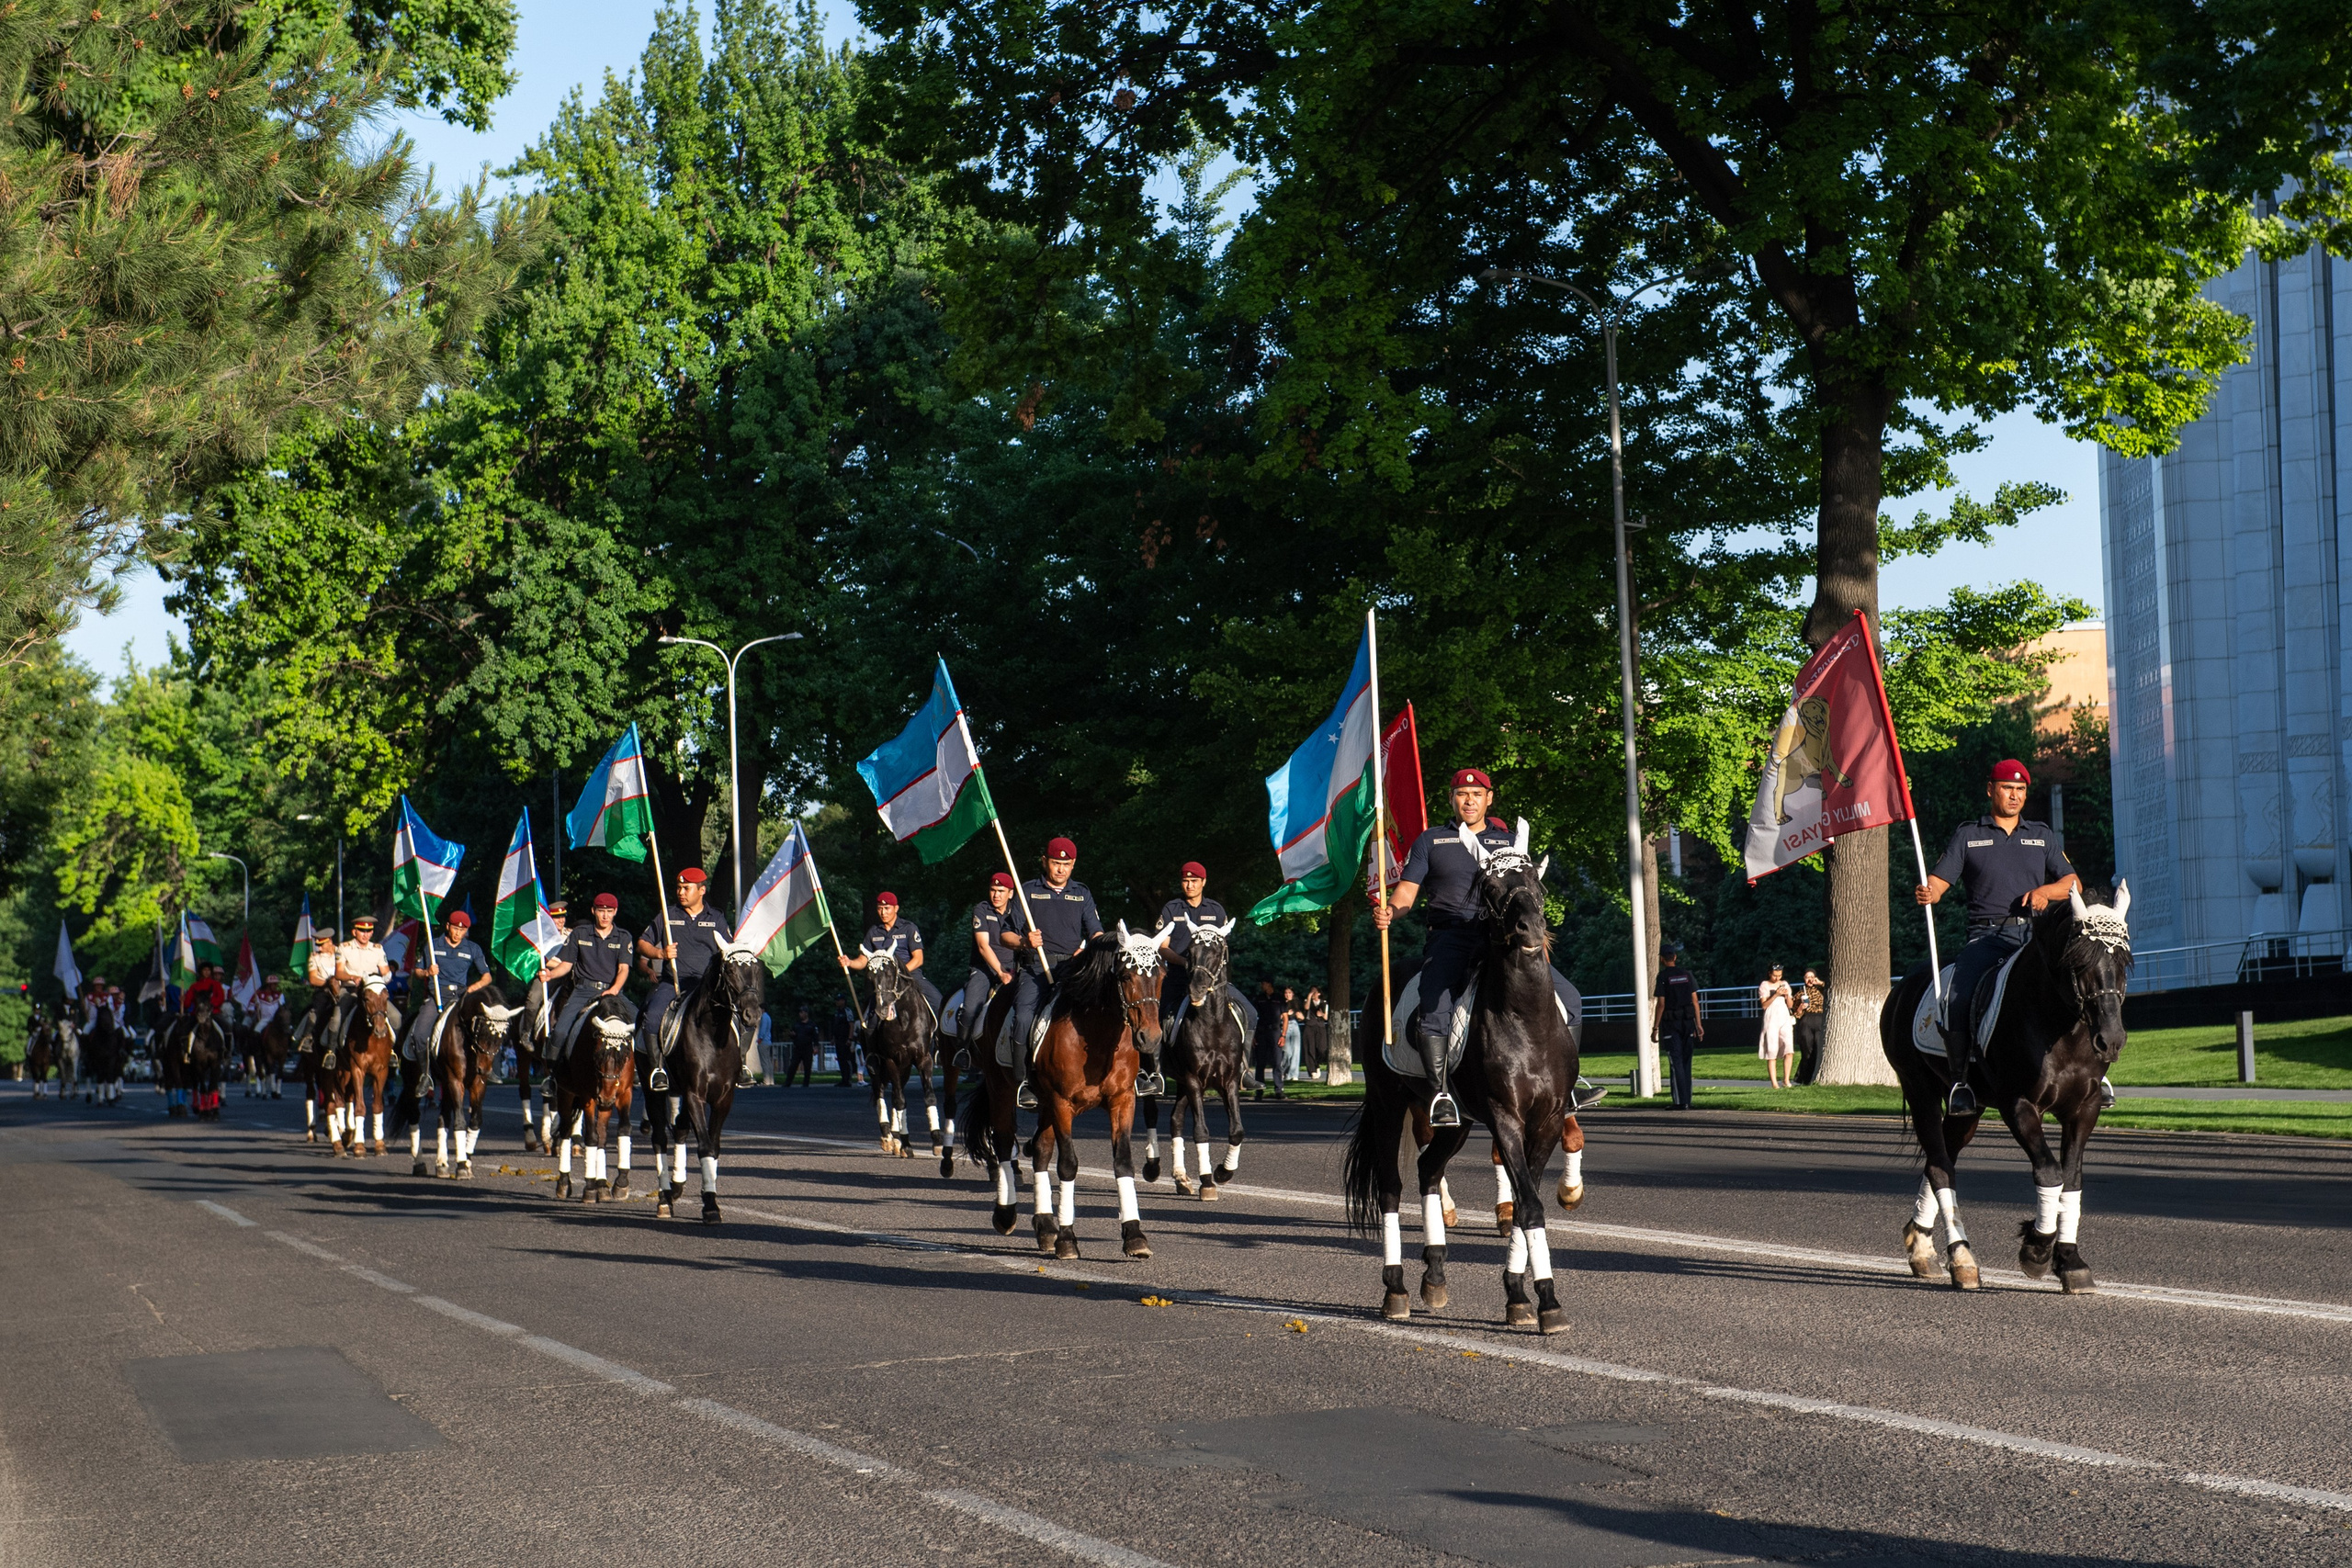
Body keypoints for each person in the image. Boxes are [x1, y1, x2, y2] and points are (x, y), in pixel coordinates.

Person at [1916, 758, 2081, 1116]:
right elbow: (1940, 882)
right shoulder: (1968, 835)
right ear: (1991, 789)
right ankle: (1961, 1083)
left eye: (2021, 789)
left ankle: (2091, 1074)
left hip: (2035, 938)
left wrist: (2045, 892)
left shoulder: (2041, 834)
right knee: (1958, 997)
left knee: (2077, 986)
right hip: (1986, 938)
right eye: (2008, 788)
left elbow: (2073, 883)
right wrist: (1930, 891)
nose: (2015, 795)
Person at [1372, 768, 1523, 1127]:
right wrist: (1391, 911)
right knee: (1435, 1003)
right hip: (1450, 937)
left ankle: (1569, 1087)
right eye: (1461, 793)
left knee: (1567, 996)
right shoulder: (1430, 841)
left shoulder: (1511, 841)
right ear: (1451, 799)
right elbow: (1408, 891)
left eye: (1476, 793)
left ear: (1489, 798)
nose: (1468, 800)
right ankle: (1441, 1094)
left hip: (1501, 939)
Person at [1006, 838, 1103, 1111]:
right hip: (1036, 967)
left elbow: (1095, 930)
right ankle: (1023, 1081)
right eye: (1056, 863)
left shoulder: (1082, 893)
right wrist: (1024, 942)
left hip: (1073, 969)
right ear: (1045, 861)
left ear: (1073, 865)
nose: (1061, 869)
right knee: (1024, 1018)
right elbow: (1005, 935)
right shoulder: (1027, 891)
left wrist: (1092, 947)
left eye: (1066, 864)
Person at [1152, 861, 1258, 1094]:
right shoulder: (1172, 908)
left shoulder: (1216, 910)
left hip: (1214, 981)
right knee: (1157, 1018)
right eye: (1185, 880)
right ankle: (1154, 1074)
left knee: (1250, 1013)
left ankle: (1243, 1071)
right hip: (1180, 978)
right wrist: (1185, 962)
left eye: (1194, 881)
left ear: (1203, 882)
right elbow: (1162, 946)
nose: (1189, 885)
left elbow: (1222, 947)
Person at [637, 867, 733, 1092]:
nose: (681, 892)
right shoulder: (667, 915)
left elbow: (728, 949)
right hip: (674, 985)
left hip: (707, 986)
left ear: (701, 891)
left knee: (740, 1016)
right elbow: (642, 943)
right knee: (651, 1019)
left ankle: (741, 1065)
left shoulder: (716, 918)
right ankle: (657, 1069)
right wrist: (660, 954)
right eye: (679, 888)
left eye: (686, 888)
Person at [541, 894, 634, 1064]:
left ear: (615, 912)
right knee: (560, 1031)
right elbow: (567, 964)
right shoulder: (580, 933)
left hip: (612, 991)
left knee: (641, 1023)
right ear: (593, 911)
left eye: (609, 911)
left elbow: (623, 969)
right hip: (583, 991)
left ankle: (642, 1070)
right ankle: (552, 1075)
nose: (605, 916)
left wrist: (614, 990)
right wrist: (550, 974)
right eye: (601, 911)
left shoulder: (624, 936)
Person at [839, 892, 943, 1034]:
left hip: (910, 977)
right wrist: (850, 962)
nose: (883, 912)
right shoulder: (873, 932)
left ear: (896, 908)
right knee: (869, 1023)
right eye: (880, 908)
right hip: (883, 984)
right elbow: (863, 960)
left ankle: (939, 1044)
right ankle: (872, 1054)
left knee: (940, 1004)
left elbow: (918, 959)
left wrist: (897, 973)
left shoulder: (909, 928)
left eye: (887, 908)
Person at [402, 909, 492, 1063]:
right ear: (448, 926)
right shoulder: (433, 945)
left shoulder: (473, 948)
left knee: (487, 1028)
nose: (458, 933)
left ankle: (486, 1068)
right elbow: (416, 972)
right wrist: (427, 972)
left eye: (462, 930)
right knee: (420, 1035)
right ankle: (425, 1074)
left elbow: (487, 977)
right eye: (455, 929)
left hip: (461, 997)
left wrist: (473, 988)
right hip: (437, 997)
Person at [955, 873, 1023, 1061]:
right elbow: (983, 947)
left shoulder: (1018, 912)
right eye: (993, 890)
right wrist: (1001, 973)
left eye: (1001, 891)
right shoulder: (981, 910)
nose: (996, 895)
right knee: (970, 1008)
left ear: (1010, 893)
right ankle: (963, 1050)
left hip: (1012, 969)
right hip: (984, 969)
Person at [330, 917, 397, 1062]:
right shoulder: (344, 948)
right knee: (336, 1019)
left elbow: (385, 971)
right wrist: (353, 977)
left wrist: (387, 976)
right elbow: (338, 973)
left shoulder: (377, 949)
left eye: (369, 931)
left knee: (396, 1017)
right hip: (351, 990)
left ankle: (392, 1050)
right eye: (362, 931)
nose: (365, 934)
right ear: (354, 932)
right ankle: (332, 1052)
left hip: (372, 992)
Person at [1652, 944, 1702, 1110]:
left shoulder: (1663, 977)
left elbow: (1661, 1004)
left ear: (1661, 959)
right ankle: (1687, 1099)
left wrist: (1655, 1028)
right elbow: (1695, 1001)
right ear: (1675, 957)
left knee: (1676, 1061)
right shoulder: (1687, 975)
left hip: (1671, 1023)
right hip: (1688, 1023)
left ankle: (1680, 1102)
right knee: (1687, 1061)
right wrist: (1699, 1025)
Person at [1758, 964, 1796, 1088]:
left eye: (1779, 975)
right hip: (1771, 1018)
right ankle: (1774, 1083)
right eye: (1775, 975)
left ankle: (1786, 1080)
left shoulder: (1785, 984)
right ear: (1770, 973)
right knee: (1772, 1050)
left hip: (1784, 1017)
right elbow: (1764, 1005)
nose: (1777, 978)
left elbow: (1790, 1005)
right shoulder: (1765, 985)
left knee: (1789, 1048)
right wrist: (1775, 994)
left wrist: (1786, 995)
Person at [1250, 980, 1284, 1100]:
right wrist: (1253, 1035)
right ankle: (1259, 1091)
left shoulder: (1279, 998)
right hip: (1261, 1032)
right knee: (1260, 1062)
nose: (1262, 986)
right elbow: (1254, 1017)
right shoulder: (1259, 999)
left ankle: (1279, 1089)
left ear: (1269, 985)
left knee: (1277, 1061)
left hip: (1275, 1031)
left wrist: (1283, 1035)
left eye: (1263, 984)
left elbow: (1285, 1017)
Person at [1793, 968, 1826, 1085]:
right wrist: (1801, 1008)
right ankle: (1804, 1078)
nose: (1810, 979)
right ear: (1804, 979)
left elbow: (1830, 987)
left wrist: (1820, 983)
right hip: (1806, 1021)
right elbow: (1796, 1014)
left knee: (1818, 1049)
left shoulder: (1822, 991)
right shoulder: (1800, 994)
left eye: (1812, 977)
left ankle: (1815, 1076)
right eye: (1808, 977)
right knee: (1807, 1050)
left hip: (1820, 1019)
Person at [787, 1006, 819, 1088]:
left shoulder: (812, 1025)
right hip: (798, 1048)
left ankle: (806, 1083)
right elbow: (792, 1033)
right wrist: (792, 1035)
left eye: (802, 1012)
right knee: (793, 1065)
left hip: (807, 1048)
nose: (800, 1014)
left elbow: (815, 1036)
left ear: (806, 1013)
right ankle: (788, 1082)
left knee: (807, 1067)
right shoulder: (797, 1024)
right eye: (800, 1012)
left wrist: (816, 1046)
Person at [832, 1003, 859, 1086]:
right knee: (840, 1059)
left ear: (843, 1001)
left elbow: (851, 1025)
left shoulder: (847, 1011)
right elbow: (835, 1026)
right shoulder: (836, 1012)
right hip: (838, 1038)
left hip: (845, 1038)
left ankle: (847, 1080)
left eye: (839, 1000)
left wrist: (850, 1038)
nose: (837, 1002)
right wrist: (833, 1037)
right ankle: (843, 1079)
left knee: (845, 1059)